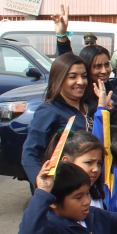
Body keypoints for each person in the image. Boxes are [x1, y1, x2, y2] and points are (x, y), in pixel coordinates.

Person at [22, 53, 90, 184]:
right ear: (59, 78)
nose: (80, 82)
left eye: (84, 76)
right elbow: (30, 154)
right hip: (67, 188)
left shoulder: (91, 107)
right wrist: (43, 185)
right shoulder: (48, 111)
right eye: (73, 77)